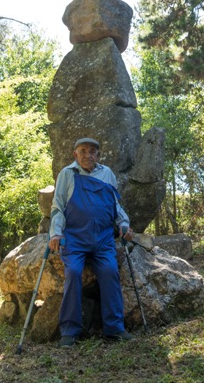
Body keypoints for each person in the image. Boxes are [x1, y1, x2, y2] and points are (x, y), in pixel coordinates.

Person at [48, 137, 134, 348]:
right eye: (83, 151)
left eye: (93, 151)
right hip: (75, 239)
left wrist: (124, 224)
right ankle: (69, 331)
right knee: (74, 273)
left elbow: (115, 206)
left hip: (103, 239)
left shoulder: (107, 174)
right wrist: (55, 233)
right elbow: (58, 206)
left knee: (109, 272)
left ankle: (114, 328)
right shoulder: (67, 174)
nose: (88, 154)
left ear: (98, 155)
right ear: (75, 155)